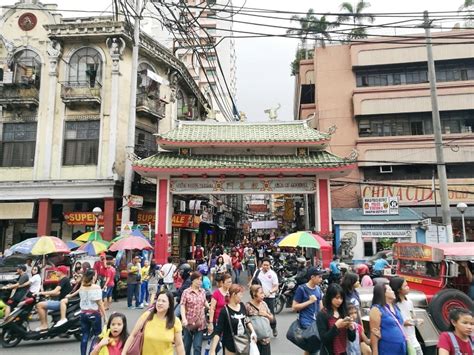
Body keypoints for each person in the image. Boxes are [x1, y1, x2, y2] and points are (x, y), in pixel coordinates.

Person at [122, 290, 185, 355]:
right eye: (158, 300)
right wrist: (123, 353)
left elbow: (179, 344)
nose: (160, 303)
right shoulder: (147, 316)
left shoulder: (175, 321)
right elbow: (133, 335)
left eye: (163, 301)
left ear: (169, 304)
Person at [209, 284, 257, 355]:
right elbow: (218, 331)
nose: (242, 296)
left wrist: (253, 331)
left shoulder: (242, 306)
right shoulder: (225, 311)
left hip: (244, 344)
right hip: (230, 346)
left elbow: (246, 320)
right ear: (234, 294)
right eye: (240, 294)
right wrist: (212, 350)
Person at [316, 283, 356, 355]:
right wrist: (336, 326)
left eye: (341, 298)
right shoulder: (322, 315)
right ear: (330, 297)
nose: (339, 301)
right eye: (337, 298)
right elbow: (324, 339)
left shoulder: (343, 312)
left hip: (343, 351)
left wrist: (351, 328)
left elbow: (352, 338)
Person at [292, 267, 324, 354]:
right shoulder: (301, 289)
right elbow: (294, 307)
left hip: (317, 323)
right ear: (312, 277)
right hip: (307, 323)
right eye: (319, 277)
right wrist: (309, 302)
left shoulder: (318, 289)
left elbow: (321, 308)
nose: (321, 279)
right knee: (314, 349)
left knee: (311, 349)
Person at [75, 269, 106, 355]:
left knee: (85, 335)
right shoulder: (96, 287)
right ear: (93, 277)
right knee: (97, 336)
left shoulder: (82, 287)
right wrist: (105, 316)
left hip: (83, 313)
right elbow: (100, 303)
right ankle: (92, 353)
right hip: (94, 313)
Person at [369, 283, 406, 355]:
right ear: (383, 293)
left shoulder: (395, 307)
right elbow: (374, 333)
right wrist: (375, 352)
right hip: (387, 347)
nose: (393, 291)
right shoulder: (376, 309)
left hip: (401, 346)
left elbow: (399, 324)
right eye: (390, 290)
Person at [389, 277, 424, 355]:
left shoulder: (409, 301)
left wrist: (415, 320)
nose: (408, 287)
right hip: (404, 340)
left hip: (413, 339)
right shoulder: (395, 305)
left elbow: (412, 316)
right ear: (398, 290)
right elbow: (403, 321)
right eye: (405, 286)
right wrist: (417, 321)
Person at [180, 271, 209, 355]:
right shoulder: (186, 292)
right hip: (188, 323)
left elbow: (204, 301)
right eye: (198, 279)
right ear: (192, 280)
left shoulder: (203, 291)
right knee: (187, 346)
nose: (200, 281)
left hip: (200, 323)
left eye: (201, 280)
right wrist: (184, 319)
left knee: (197, 347)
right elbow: (182, 305)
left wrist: (210, 308)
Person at [36, 265, 72, 330]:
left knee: (39, 305)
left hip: (61, 302)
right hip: (61, 301)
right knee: (43, 303)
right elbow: (58, 292)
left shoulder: (64, 279)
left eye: (57, 271)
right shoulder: (64, 279)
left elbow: (55, 291)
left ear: (61, 272)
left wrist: (41, 293)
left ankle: (44, 325)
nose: (56, 272)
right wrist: (48, 295)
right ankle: (45, 324)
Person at [254, 257, 279, 337]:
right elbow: (253, 282)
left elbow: (276, 286)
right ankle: (261, 331)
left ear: (270, 265)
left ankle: (273, 327)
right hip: (258, 297)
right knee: (258, 314)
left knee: (270, 314)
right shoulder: (258, 272)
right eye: (264, 265)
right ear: (262, 265)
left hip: (269, 297)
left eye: (267, 265)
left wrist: (270, 292)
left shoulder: (273, 274)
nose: (266, 267)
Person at [246, 284, 274, 355]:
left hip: (265, 339)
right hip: (254, 340)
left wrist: (266, 314)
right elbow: (245, 320)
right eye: (260, 293)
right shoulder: (248, 306)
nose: (263, 295)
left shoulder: (264, 304)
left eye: (263, 293)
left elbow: (272, 318)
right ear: (254, 294)